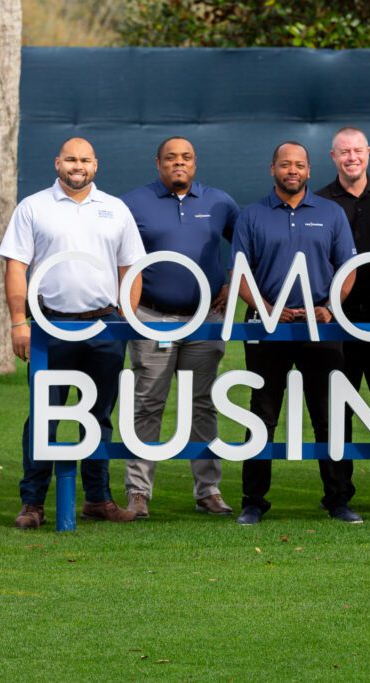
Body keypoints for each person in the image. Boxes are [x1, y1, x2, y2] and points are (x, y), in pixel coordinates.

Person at [0, 137, 145, 529]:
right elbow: (15, 268)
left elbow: (131, 269)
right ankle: (32, 503)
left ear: (95, 165)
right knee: (43, 417)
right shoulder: (33, 207)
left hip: (104, 326)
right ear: (57, 162)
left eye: (84, 160)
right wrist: (18, 321)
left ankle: (98, 499)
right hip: (50, 326)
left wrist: (126, 319)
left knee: (98, 415)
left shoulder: (115, 209)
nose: (77, 165)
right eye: (70, 159)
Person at [231, 141, 360, 525]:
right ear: (272, 169)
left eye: (299, 165)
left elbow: (349, 269)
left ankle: (338, 499)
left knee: (329, 415)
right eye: (285, 164)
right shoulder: (252, 215)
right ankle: (253, 501)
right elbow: (239, 273)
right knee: (262, 415)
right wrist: (266, 309)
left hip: (320, 327)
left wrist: (331, 308)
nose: (292, 170)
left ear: (308, 170)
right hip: (268, 329)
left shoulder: (331, 212)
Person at [120, 137, 239, 518]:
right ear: (158, 163)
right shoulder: (134, 203)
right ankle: (138, 493)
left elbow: (248, 247)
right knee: (148, 402)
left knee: (202, 404)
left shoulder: (219, 202)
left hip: (205, 320)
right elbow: (115, 254)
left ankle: (208, 490)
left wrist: (230, 283)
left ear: (195, 162)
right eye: (171, 158)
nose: (179, 163)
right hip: (153, 318)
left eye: (186, 157)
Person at [315, 126, 370, 507]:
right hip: (338, 322)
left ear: (369, 153)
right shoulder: (320, 201)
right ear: (333, 157)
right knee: (337, 410)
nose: (352, 157)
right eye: (344, 152)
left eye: (358, 151)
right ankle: (338, 493)